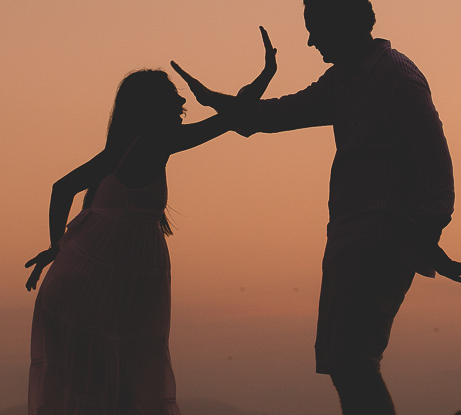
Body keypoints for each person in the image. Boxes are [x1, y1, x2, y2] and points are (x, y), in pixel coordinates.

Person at [173, 0, 461, 415]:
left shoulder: (397, 79)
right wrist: (218, 101)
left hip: (380, 241)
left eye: (315, 26)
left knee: (353, 362)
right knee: (343, 363)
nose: (311, 41)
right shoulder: (342, 81)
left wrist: (424, 240)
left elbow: (436, 172)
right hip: (350, 239)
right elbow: (277, 114)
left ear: (346, 22)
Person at [24, 29, 276, 415]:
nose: (180, 99)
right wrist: (263, 76)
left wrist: (58, 246)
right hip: (100, 293)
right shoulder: (153, 142)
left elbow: (62, 189)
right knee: (124, 392)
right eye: (172, 94)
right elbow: (228, 122)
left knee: (108, 391)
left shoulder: (121, 149)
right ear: (152, 106)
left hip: (87, 286)